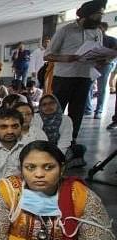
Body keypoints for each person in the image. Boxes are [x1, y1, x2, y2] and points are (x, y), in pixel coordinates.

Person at [45, 0, 104, 140]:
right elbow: (47, 55)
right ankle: (51, 140)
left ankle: (71, 141)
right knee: (56, 111)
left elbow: (98, 52)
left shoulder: (97, 32)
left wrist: (101, 60)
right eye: (97, 15)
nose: (100, 18)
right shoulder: (65, 30)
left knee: (77, 113)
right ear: (86, 15)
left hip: (84, 77)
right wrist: (66, 58)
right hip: (64, 78)